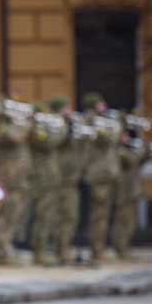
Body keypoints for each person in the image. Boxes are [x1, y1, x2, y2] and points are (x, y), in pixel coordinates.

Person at [0, 98, 33, 266]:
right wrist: (22, 121)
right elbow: (15, 137)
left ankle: (6, 247)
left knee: (14, 215)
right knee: (4, 215)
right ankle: (0, 249)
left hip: (19, 178)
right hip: (6, 178)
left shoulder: (15, 125)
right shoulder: (3, 128)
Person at [51, 96, 92, 264]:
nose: (69, 112)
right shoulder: (54, 124)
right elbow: (54, 142)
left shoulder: (72, 126)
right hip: (59, 178)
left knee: (71, 217)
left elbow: (84, 145)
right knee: (61, 217)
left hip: (73, 178)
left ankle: (65, 249)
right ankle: (59, 251)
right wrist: (65, 128)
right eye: (65, 109)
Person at [82, 92, 120, 265]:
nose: (104, 106)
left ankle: (100, 249)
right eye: (100, 104)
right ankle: (97, 251)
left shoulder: (100, 121)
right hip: (100, 174)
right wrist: (115, 123)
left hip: (107, 174)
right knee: (99, 215)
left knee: (103, 214)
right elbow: (109, 138)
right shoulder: (93, 122)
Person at [28, 103, 68, 266]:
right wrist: (64, 128)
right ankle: (39, 252)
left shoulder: (44, 128)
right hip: (41, 179)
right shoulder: (37, 130)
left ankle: (43, 250)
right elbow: (50, 142)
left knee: (49, 216)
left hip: (50, 178)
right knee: (42, 216)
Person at [111, 116, 150, 261]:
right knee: (122, 221)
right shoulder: (119, 150)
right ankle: (120, 249)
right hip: (122, 191)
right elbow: (132, 160)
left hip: (133, 189)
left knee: (130, 221)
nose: (126, 137)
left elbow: (142, 160)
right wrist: (141, 149)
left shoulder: (130, 148)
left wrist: (145, 145)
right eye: (123, 135)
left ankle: (125, 248)